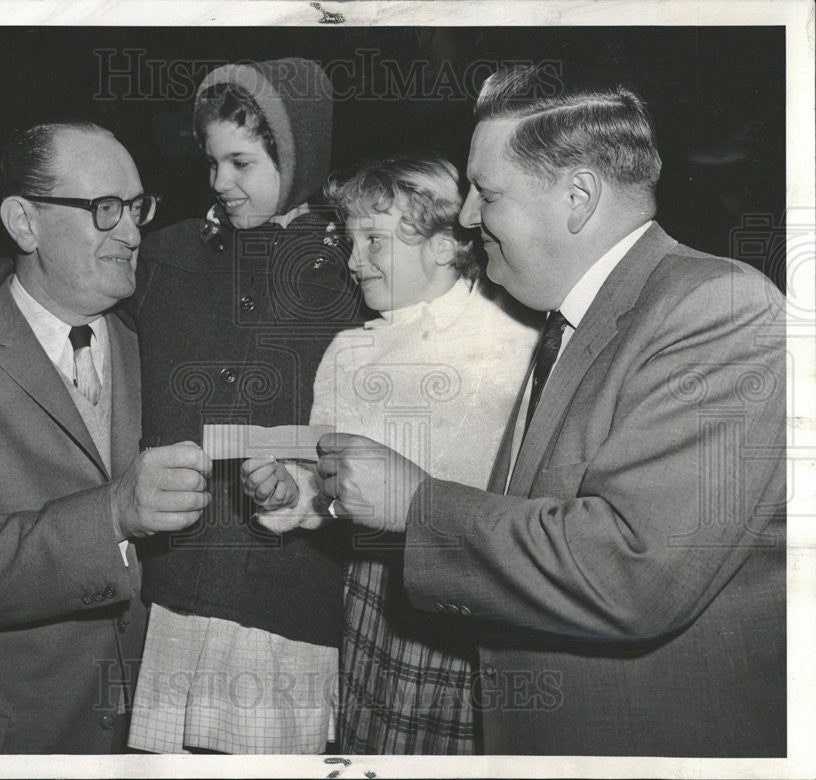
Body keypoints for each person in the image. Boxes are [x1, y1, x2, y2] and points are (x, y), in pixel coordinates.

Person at [313, 65, 786, 756]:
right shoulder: (568, 323)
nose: (469, 216)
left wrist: (416, 505)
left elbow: (633, 570)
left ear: (577, 198)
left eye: (488, 192)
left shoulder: (722, 307)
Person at [0, 59, 363, 754]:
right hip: (171, 604)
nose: (219, 183)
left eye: (241, 162)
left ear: (299, 159)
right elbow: (61, 267)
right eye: (210, 163)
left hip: (292, 610)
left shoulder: (355, 272)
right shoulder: (175, 253)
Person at [0, 122, 213, 753]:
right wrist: (113, 514)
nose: (131, 233)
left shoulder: (153, 350)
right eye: (105, 209)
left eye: (137, 208)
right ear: (24, 222)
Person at [240, 154, 540, 754]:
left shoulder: (518, 336)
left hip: (490, 591)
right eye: (350, 242)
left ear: (446, 245)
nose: (354, 263)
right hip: (383, 598)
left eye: (374, 241)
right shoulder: (349, 353)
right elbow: (328, 491)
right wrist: (291, 494)